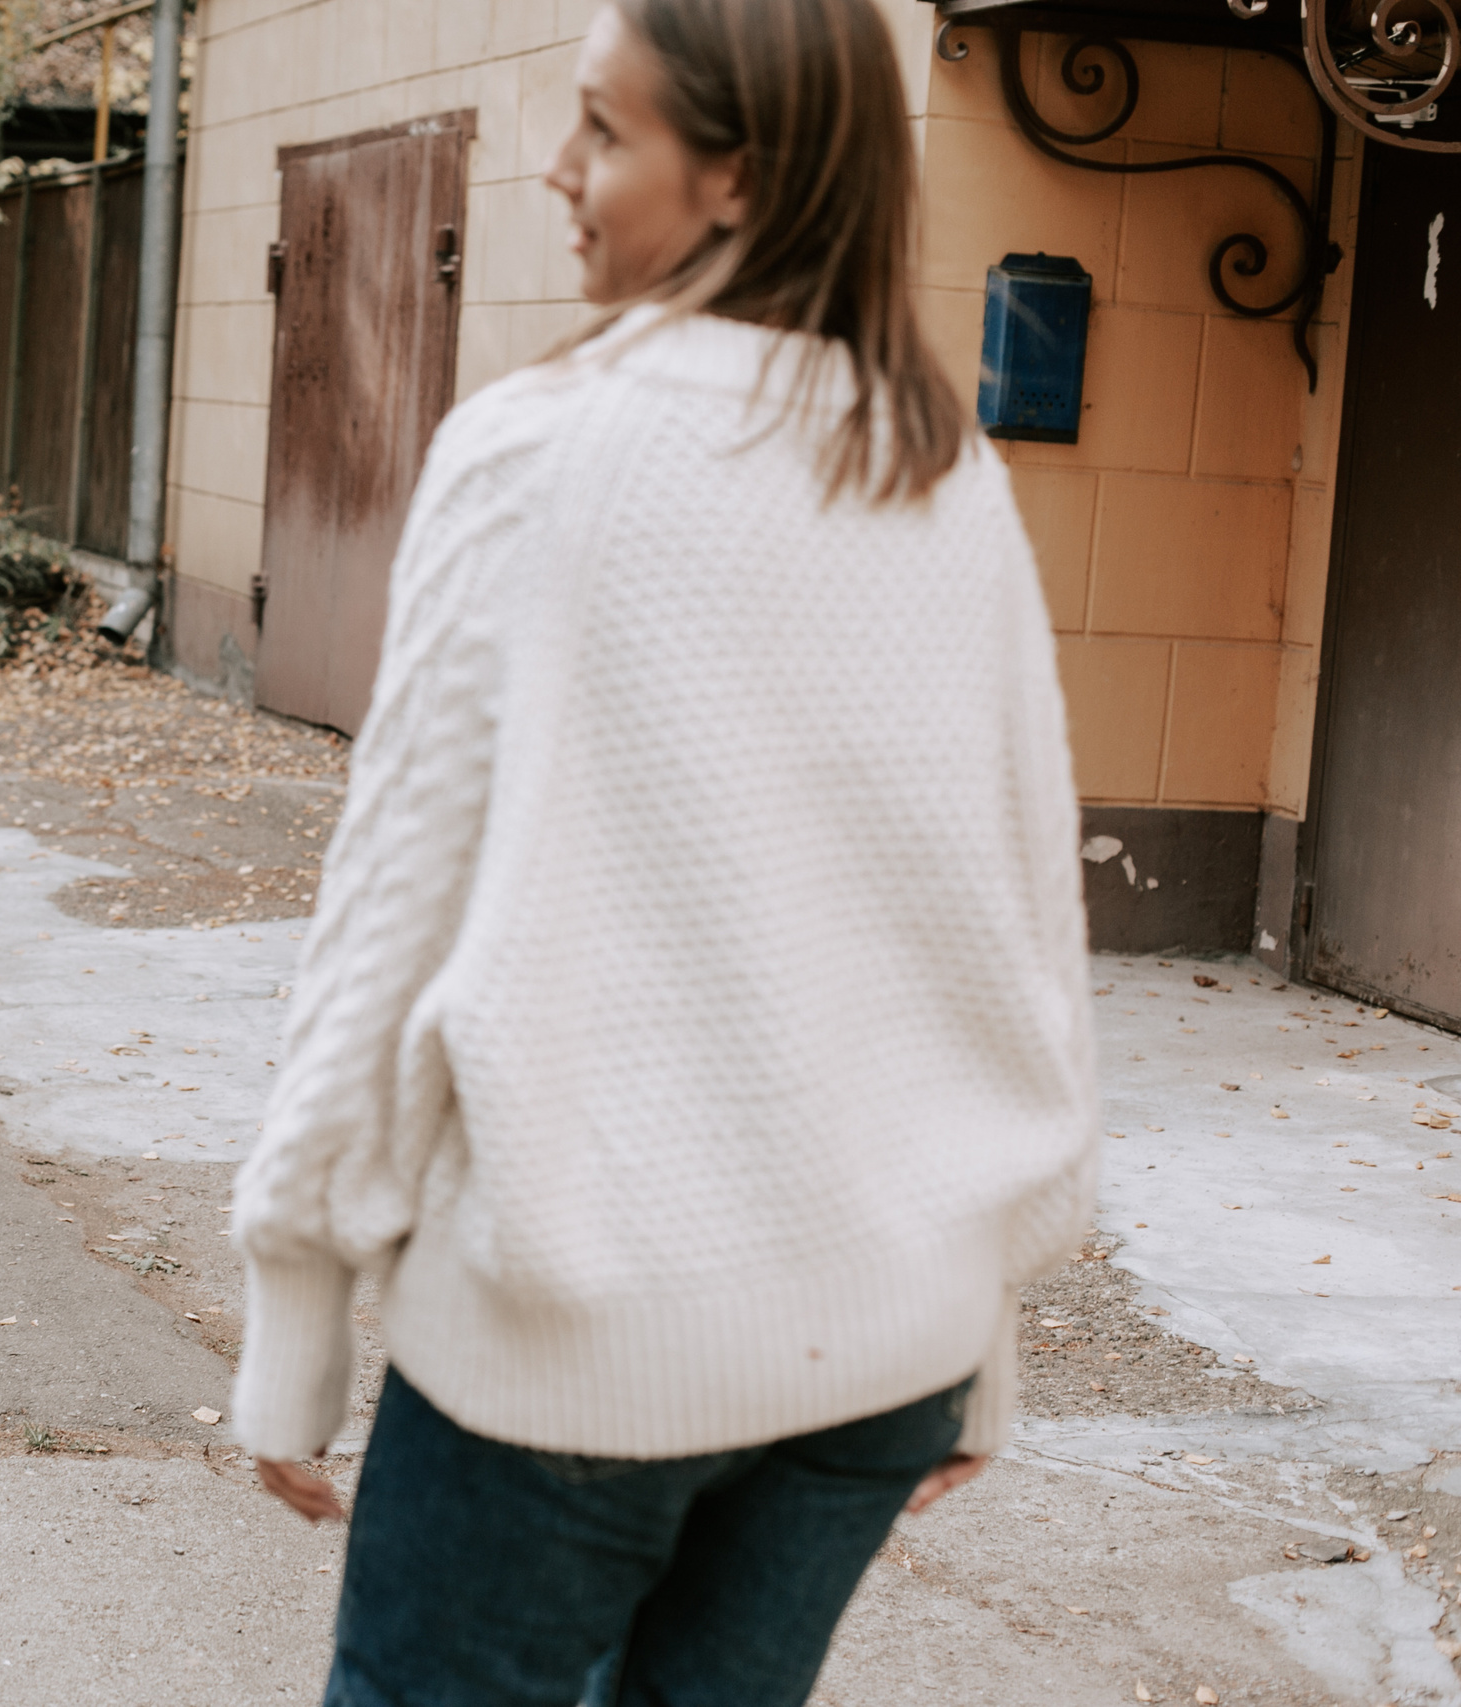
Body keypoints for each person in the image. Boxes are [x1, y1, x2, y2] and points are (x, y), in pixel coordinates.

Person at [227, 0, 1097, 1701]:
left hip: (573, 1343)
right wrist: (980, 1315)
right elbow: (1014, 926)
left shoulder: (539, 452)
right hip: (881, 1355)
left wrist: (298, 1314)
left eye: (606, 129)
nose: (556, 166)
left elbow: (393, 916)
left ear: (738, 178)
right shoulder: (946, 474)